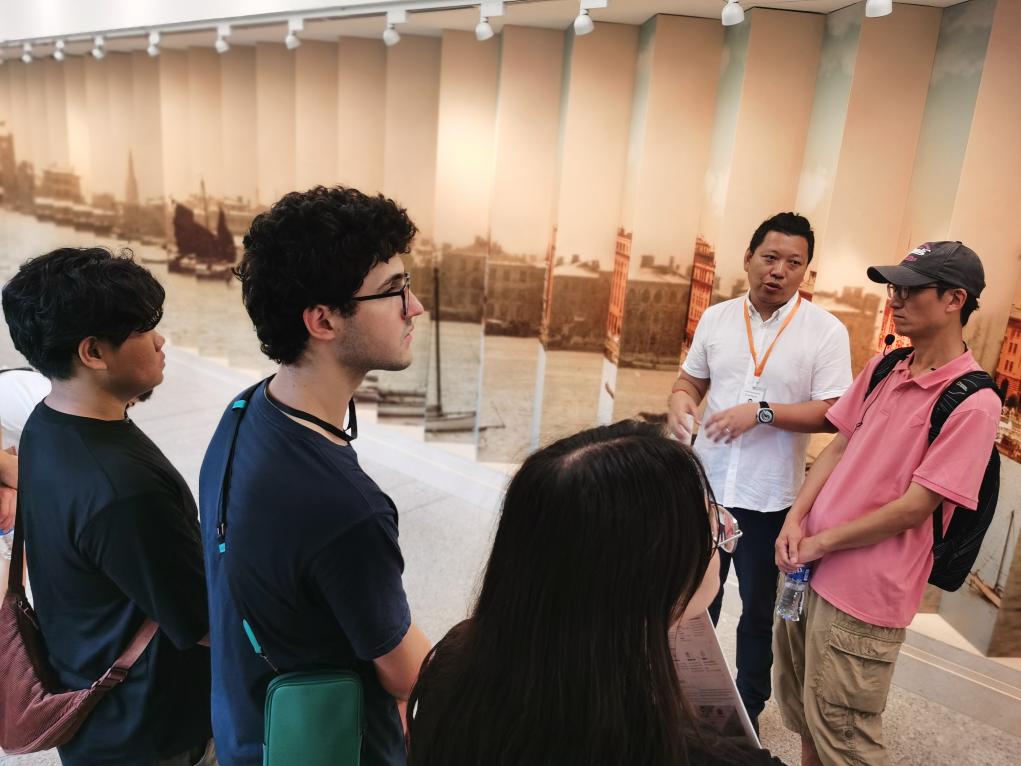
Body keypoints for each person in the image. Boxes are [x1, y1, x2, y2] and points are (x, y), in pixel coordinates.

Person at [199, 186, 431, 766]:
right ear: (323, 319)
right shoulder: (346, 508)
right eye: (395, 290)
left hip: (248, 726)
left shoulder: (246, 409)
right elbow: (405, 674)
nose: (415, 307)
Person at [407, 420, 786, 766]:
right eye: (712, 528)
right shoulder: (681, 750)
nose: (722, 536)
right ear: (656, 577)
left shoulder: (451, 665)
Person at [772, 241, 1000, 766]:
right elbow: (840, 445)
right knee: (806, 717)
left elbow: (915, 507)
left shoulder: (974, 403)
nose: (894, 299)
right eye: (893, 287)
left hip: (865, 592)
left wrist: (820, 542)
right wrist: (795, 518)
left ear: (954, 300)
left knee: (846, 738)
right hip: (809, 570)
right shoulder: (887, 366)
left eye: (911, 290)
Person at [1, 248, 212, 766]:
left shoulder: (45, 425)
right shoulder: (124, 489)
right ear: (94, 352)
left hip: (90, 703)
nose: (160, 341)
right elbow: (204, 624)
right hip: (150, 733)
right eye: (144, 328)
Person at [665, 212, 852, 729]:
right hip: (706, 490)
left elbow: (834, 411)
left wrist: (763, 412)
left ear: (805, 271)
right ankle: (684, 697)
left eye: (794, 263)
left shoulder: (825, 331)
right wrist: (679, 400)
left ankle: (747, 707)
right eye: (770, 258)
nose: (779, 271)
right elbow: (690, 380)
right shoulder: (717, 318)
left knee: (757, 611)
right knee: (693, 602)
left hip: (769, 498)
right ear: (748, 259)